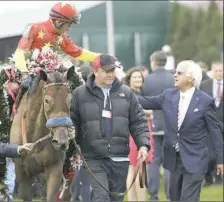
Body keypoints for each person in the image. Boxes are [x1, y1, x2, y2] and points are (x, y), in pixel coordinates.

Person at [138, 60, 224, 201]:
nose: (174, 75)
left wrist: (221, 159)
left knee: (188, 198)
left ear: (190, 78)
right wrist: (122, 93)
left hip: (195, 159)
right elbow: (144, 101)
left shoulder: (204, 101)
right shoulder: (168, 95)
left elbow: (215, 133)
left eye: (179, 73)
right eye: (175, 72)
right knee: (174, 198)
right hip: (174, 160)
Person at [70, 54, 150, 202]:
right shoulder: (79, 94)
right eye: (107, 71)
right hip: (93, 157)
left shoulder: (126, 93)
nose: (111, 74)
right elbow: (72, 122)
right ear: (96, 71)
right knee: (101, 197)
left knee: (116, 198)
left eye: (113, 70)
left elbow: (138, 122)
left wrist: (143, 145)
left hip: (120, 157)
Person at [14, 2, 101, 88]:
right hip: (26, 71)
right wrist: (24, 73)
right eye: (69, 24)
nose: (69, 28)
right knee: (13, 88)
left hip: (51, 72)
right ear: (59, 22)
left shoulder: (63, 36)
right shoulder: (34, 28)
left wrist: (101, 57)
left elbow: (79, 53)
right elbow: (20, 52)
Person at [142, 50, 173, 201]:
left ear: (153, 62)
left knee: (153, 161)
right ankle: (170, 195)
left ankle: (153, 195)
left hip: (152, 123)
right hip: (170, 125)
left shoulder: (146, 80)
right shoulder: (173, 78)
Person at [123, 67, 154, 201]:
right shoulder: (129, 94)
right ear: (129, 80)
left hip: (142, 131)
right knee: (136, 168)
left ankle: (135, 199)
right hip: (135, 134)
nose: (138, 79)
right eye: (134, 77)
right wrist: (148, 113)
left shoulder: (139, 94)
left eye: (140, 77)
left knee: (137, 168)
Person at [200, 61, 223, 186]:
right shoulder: (204, 85)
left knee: (221, 151)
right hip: (209, 124)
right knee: (210, 153)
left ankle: (218, 178)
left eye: (221, 70)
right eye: (216, 70)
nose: (218, 73)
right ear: (212, 71)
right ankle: (208, 177)